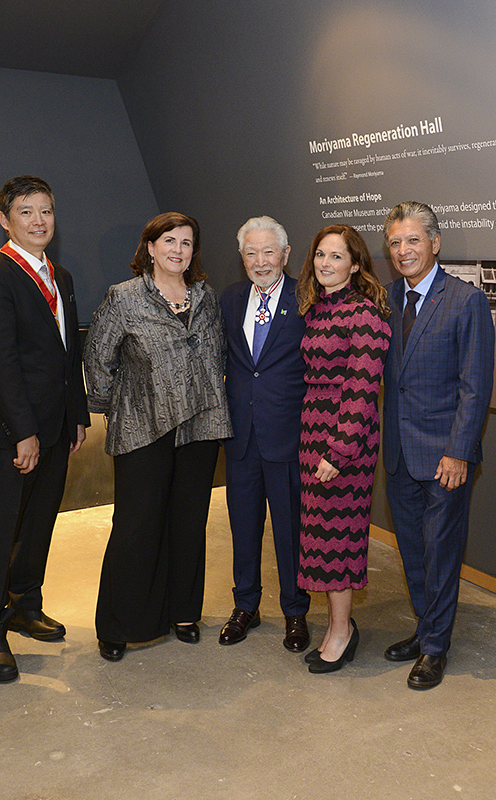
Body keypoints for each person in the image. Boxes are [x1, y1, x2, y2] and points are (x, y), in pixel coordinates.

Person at [83, 212, 232, 662]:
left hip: (200, 426)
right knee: (136, 527)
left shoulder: (206, 297)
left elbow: (219, 353)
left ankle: (184, 612)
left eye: (187, 243)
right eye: (169, 241)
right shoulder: (124, 297)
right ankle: (119, 623)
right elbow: (98, 360)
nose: (178, 250)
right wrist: (117, 408)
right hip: (143, 427)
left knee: (189, 522)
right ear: (149, 248)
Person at [0, 176, 89, 682]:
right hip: (15, 430)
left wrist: (78, 413)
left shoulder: (60, 275)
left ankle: (24, 604)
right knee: (2, 530)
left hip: (59, 424)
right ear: (4, 219)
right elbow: (0, 363)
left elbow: (69, 354)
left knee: (39, 521)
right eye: (26, 212)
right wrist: (23, 432)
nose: (39, 221)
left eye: (46, 212)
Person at [381, 201, 495, 690]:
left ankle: (434, 648)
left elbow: (475, 385)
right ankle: (425, 628)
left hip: (444, 456)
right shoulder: (386, 299)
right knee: (411, 550)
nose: (403, 251)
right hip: (400, 454)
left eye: (412, 240)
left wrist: (459, 451)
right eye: (394, 243)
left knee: (441, 551)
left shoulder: (465, 301)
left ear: (435, 242)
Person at [294, 224, 390, 674]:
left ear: (355, 265)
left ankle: (340, 632)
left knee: (339, 542)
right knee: (319, 538)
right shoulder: (316, 309)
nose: (325, 264)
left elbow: (361, 387)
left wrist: (339, 450)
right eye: (320, 255)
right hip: (312, 435)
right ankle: (339, 624)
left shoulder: (364, 313)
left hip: (344, 442)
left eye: (336, 257)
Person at [218, 216, 311, 651]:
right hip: (240, 438)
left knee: (290, 530)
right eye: (251, 253)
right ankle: (246, 606)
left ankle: (295, 611)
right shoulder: (232, 298)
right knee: (243, 526)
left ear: (286, 255)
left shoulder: (306, 298)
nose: (260, 261)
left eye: (268, 252)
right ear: (242, 258)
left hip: (287, 436)